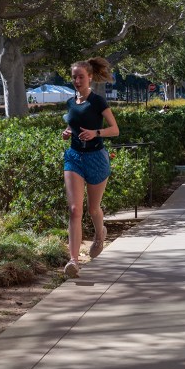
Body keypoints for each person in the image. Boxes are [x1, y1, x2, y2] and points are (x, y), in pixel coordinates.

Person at [61, 57, 120, 279]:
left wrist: (96, 133)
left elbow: (114, 130)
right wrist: (68, 132)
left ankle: (99, 234)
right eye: (74, 77)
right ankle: (73, 261)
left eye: (81, 77)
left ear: (90, 77)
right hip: (74, 157)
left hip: (96, 157)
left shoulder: (98, 102)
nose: (77, 80)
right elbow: (72, 124)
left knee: (93, 209)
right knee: (75, 209)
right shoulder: (69, 103)